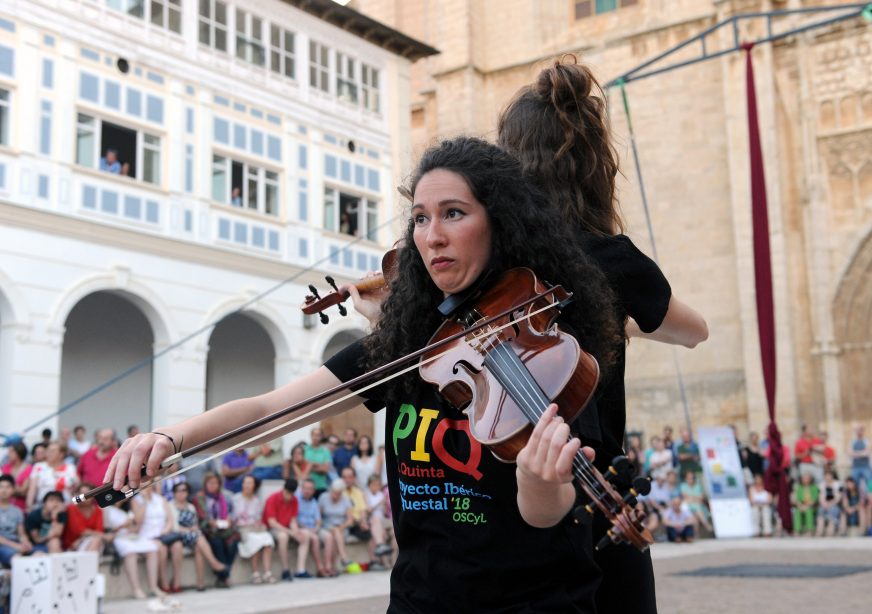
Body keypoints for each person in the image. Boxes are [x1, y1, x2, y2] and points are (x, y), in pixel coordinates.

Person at [107, 136, 623, 612]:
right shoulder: (406, 347)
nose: (433, 236)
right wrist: (170, 437)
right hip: (422, 600)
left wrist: (536, 479)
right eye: (420, 219)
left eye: (454, 214)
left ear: (502, 223)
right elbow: (268, 412)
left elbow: (549, 514)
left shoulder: (551, 348)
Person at [496, 56, 708, 614]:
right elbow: (694, 332)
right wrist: (622, 325)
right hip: (595, 494)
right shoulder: (613, 260)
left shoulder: (493, 267)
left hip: (503, 499)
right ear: (596, 165)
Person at [169, 482, 227, 591]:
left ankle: (200, 583)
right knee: (199, 536)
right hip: (177, 535)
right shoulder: (170, 505)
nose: (182, 493)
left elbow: (195, 523)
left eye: (184, 490)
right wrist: (189, 530)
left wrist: (193, 529)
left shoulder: (191, 507)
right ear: (174, 493)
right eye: (179, 490)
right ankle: (214, 563)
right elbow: (172, 526)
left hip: (192, 536)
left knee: (199, 548)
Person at [113, 483, 165, 599]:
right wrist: (122, 527)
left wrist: (131, 528)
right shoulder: (107, 508)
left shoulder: (130, 504)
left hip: (133, 536)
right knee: (130, 553)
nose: (124, 494)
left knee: (152, 549)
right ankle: (136, 589)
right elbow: (108, 530)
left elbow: (137, 527)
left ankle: (153, 587)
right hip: (119, 538)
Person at [193, 472, 237, 588]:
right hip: (208, 529)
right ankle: (225, 576)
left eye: (215, 483)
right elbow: (202, 516)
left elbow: (231, 512)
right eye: (210, 483)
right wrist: (212, 523)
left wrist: (229, 520)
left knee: (233, 541)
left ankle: (223, 576)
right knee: (217, 542)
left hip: (222, 528)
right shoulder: (200, 497)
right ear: (205, 484)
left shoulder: (223, 496)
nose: (213, 485)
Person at [231, 474, 276, 584]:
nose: (247, 485)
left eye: (250, 483)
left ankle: (267, 572)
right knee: (255, 541)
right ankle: (255, 573)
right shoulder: (235, 498)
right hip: (242, 529)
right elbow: (234, 517)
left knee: (268, 540)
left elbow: (258, 517)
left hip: (255, 528)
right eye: (245, 483)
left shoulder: (256, 500)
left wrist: (258, 524)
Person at [262, 478, 305, 582]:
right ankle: (285, 570)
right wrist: (289, 532)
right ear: (284, 489)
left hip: (286, 528)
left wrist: (295, 531)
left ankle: (301, 570)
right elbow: (272, 523)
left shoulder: (294, 500)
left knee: (305, 535)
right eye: (287, 493)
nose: (289, 496)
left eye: (291, 494)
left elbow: (293, 520)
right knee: (283, 536)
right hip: (271, 529)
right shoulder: (272, 499)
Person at [294, 478, 330, 579]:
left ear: (313, 491)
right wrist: (308, 530)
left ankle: (328, 566)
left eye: (310, 489)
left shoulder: (314, 502)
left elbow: (318, 520)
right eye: (305, 488)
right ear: (301, 489)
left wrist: (316, 528)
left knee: (328, 536)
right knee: (315, 538)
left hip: (313, 528)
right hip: (301, 528)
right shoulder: (296, 499)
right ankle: (320, 568)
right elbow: (294, 519)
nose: (307, 491)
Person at [318, 478, 355, 570]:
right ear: (331, 490)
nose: (335, 495)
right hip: (326, 526)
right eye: (334, 492)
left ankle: (331, 566)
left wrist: (341, 526)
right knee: (334, 532)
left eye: (338, 493)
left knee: (335, 533)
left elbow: (350, 521)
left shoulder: (345, 500)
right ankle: (343, 558)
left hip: (342, 527)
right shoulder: (323, 497)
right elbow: (318, 516)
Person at [26, 441, 78, 507]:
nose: (49, 453)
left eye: (53, 451)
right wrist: (29, 506)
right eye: (48, 451)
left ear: (61, 454)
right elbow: (32, 490)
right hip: (43, 507)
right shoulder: (38, 467)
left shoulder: (71, 468)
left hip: (65, 507)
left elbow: (76, 489)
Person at [62, 482, 105, 554]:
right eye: (81, 494)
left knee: (97, 540)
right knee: (97, 539)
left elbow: (99, 530)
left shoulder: (98, 511)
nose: (85, 496)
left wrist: (99, 535)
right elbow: (78, 530)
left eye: (88, 493)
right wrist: (104, 536)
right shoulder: (71, 509)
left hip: (90, 542)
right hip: (72, 546)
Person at [0, 475, 32, 567]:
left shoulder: (17, 511)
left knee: (39, 554)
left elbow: (21, 533)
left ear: (13, 490)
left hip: (16, 544)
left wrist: (26, 543)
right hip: (3, 547)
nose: (4, 490)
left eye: (7, 487)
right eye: (1, 487)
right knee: (17, 559)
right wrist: (15, 546)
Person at [2, 441, 32, 510]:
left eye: (11, 452)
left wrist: (6, 490)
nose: (8, 454)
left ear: (18, 453)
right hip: (4, 505)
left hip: (20, 506)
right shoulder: (5, 467)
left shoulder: (28, 468)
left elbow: (24, 491)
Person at [304, 428, 332, 498]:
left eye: (318, 435)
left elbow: (325, 469)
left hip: (320, 486)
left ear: (321, 437)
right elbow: (302, 467)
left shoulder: (325, 451)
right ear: (311, 436)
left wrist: (310, 465)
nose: (316, 437)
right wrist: (319, 465)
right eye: (314, 435)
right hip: (306, 487)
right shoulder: (305, 449)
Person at [816, 470, 842, 537]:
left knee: (833, 512)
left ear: (832, 476)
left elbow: (838, 497)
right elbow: (820, 497)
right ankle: (819, 532)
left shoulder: (837, 484)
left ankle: (829, 533)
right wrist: (824, 504)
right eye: (826, 476)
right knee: (820, 513)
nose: (827, 477)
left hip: (834, 505)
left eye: (829, 476)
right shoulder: (821, 485)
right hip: (824, 505)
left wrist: (830, 504)